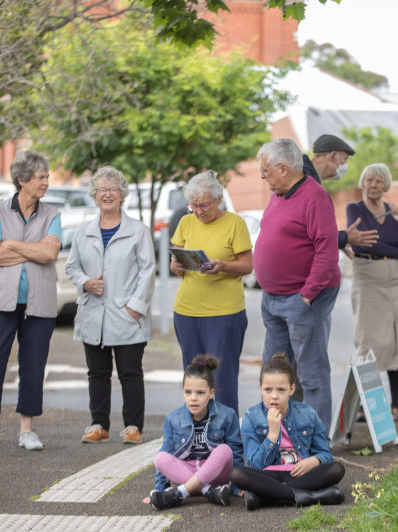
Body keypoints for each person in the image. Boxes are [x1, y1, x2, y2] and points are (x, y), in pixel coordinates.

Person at [0, 150, 61, 453]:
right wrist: (33, 248)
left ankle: (27, 430)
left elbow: (50, 254)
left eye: (46, 176)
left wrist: (13, 244)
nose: (46, 182)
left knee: (33, 365)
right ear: (22, 180)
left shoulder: (52, 214)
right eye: (41, 177)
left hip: (39, 303)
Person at [253, 138, 341, 429]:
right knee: (275, 374)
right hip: (274, 298)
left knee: (311, 374)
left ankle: (316, 444)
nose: (262, 176)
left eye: (266, 170)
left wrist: (308, 294)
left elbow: (327, 251)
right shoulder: (278, 194)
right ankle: (278, 435)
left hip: (302, 298)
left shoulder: (315, 197)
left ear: (283, 168)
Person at [65, 166, 155, 444]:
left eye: (112, 189)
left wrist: (135, 307)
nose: (107, 194)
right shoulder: (84, 230)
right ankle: (98, 424)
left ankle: (133, 427)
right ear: (94, 196)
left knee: (129, 373)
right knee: (97, 373)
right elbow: (72, 266)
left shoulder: (137, 231)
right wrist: (86, 282)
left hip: (127, 314)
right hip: (93, 312)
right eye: (101, 189)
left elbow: (148, 270)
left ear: (122, 195)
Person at [170, 171, 253, 414]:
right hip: (187, 311)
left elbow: (248, 266)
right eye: (193, 205)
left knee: (223, 377)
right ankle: (197, 434)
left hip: (224, 313)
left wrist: (223, 266)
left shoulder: (235, 223)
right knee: (193, 378)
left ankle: (226, 440)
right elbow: (176, 264)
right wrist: (175, 265)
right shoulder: (185, 222)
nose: (197, 211)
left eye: (203, 205)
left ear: (217, 200)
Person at [346, 163, 398, 422]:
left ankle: (397, 405)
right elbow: (368, 242)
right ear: (363, 183)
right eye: (369, 180)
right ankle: (362, 406)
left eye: (379, 181)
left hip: (397, 280)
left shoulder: (394, 212)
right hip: (368, 276)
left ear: (386, 185)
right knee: (368, 341)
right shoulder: (354, 209)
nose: (373, 185)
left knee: (397, 340)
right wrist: (396, 251)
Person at [230, 353, 345, 511]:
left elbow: (325, 454)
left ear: (292, 389)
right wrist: (272, 435)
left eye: (281, 390)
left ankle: (267, 498)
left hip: (301, 474)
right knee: (237, 474)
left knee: (337, 469)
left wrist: (314, 461)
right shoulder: (251, 417)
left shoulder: (308, 413)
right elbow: (254, 464)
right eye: (268, 389)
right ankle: (309, 496)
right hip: (268, 476)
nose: (274, 396)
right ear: (260, 389)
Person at [146, 354, 243, 510]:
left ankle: (180, 493)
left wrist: (237, 486)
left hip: (215, 474)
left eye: (200, 393)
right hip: (185, 472)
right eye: (188, 392)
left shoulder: (227, 415)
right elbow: (167, 452)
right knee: (160, 458)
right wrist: (159, 489)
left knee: (225, 450)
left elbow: (236, 453)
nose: (193, 398)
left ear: (211, 393)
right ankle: (208, 492)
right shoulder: (173, 419)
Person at [302, 134, 378, 253]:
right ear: (332, 156)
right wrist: (345, 238)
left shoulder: (306, 179)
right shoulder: (304, 183)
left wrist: (338, 242)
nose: (345, 166)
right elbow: (306, 235)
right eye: (345, 159)